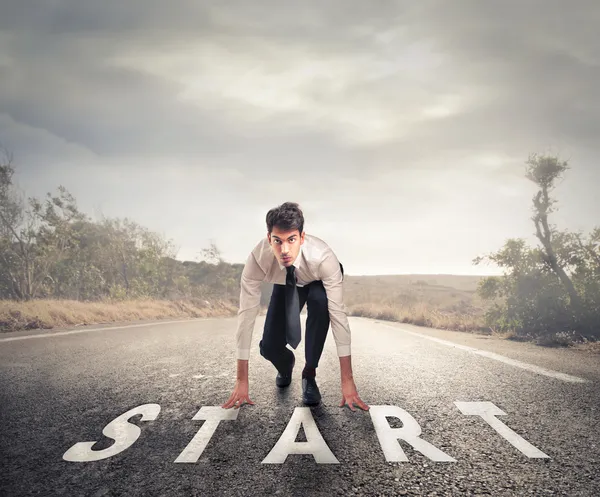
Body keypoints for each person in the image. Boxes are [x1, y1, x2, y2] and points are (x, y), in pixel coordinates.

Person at [222, 202, 369, 411]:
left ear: (302, 237)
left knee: (321, 301)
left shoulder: (324, 258)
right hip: (286, 281)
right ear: (268, 239)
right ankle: (286, 364)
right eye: (277, 241)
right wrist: (241, 380)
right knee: (269, 347)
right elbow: (246, 315)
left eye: (291, 240)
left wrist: (347, 381)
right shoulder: (257, 259)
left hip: (317, 280)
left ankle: (309, 373)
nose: (284, 250)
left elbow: (339, 317)